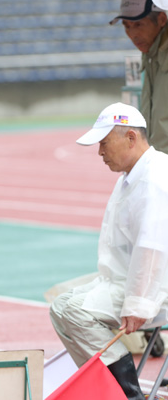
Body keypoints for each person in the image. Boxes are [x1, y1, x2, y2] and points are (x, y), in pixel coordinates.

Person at [49, 102, 168, 400]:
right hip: (128, 280)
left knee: (76, 313)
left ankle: (128, 394)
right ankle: (106, 390)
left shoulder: (154, 180)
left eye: (104, 143)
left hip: (157, 288)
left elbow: (153, 248)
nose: (100, 152)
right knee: (61, 307)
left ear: (131, 137)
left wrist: (138, 304)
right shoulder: (133, 176)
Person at [111, 0, 168, 153]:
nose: (132, 34)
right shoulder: (150, 54)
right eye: (127, 26)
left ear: (162, 19)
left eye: (138, 24)